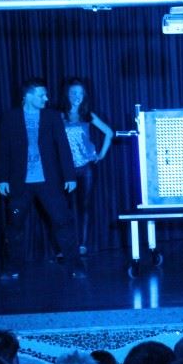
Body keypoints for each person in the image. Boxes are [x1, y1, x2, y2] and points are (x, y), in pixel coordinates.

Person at [0, 77, 84, 279]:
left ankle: (75, 266)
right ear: (28, 96)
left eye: (45, 94)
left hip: (49, 181)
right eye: (41, 95)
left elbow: (63, 147)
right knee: (15, 225)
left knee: (63, 222)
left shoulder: (52, 117)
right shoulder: (10, 117)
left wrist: (69, 176)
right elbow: (3, 149)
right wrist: (2, 178)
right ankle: (12, 268)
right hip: (20, 182)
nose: (46, 98)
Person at [60, 78, 113, 255]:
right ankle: (68, 245)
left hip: (86, 167)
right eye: (73, 93)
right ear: (67, 94)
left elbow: (109, 132)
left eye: (80, 93)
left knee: (84, 206)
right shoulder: (60, 116)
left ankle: (82, 244)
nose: (77, 96)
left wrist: (101, 154)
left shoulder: (88, 115)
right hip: (66, 168)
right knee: (67, 207)